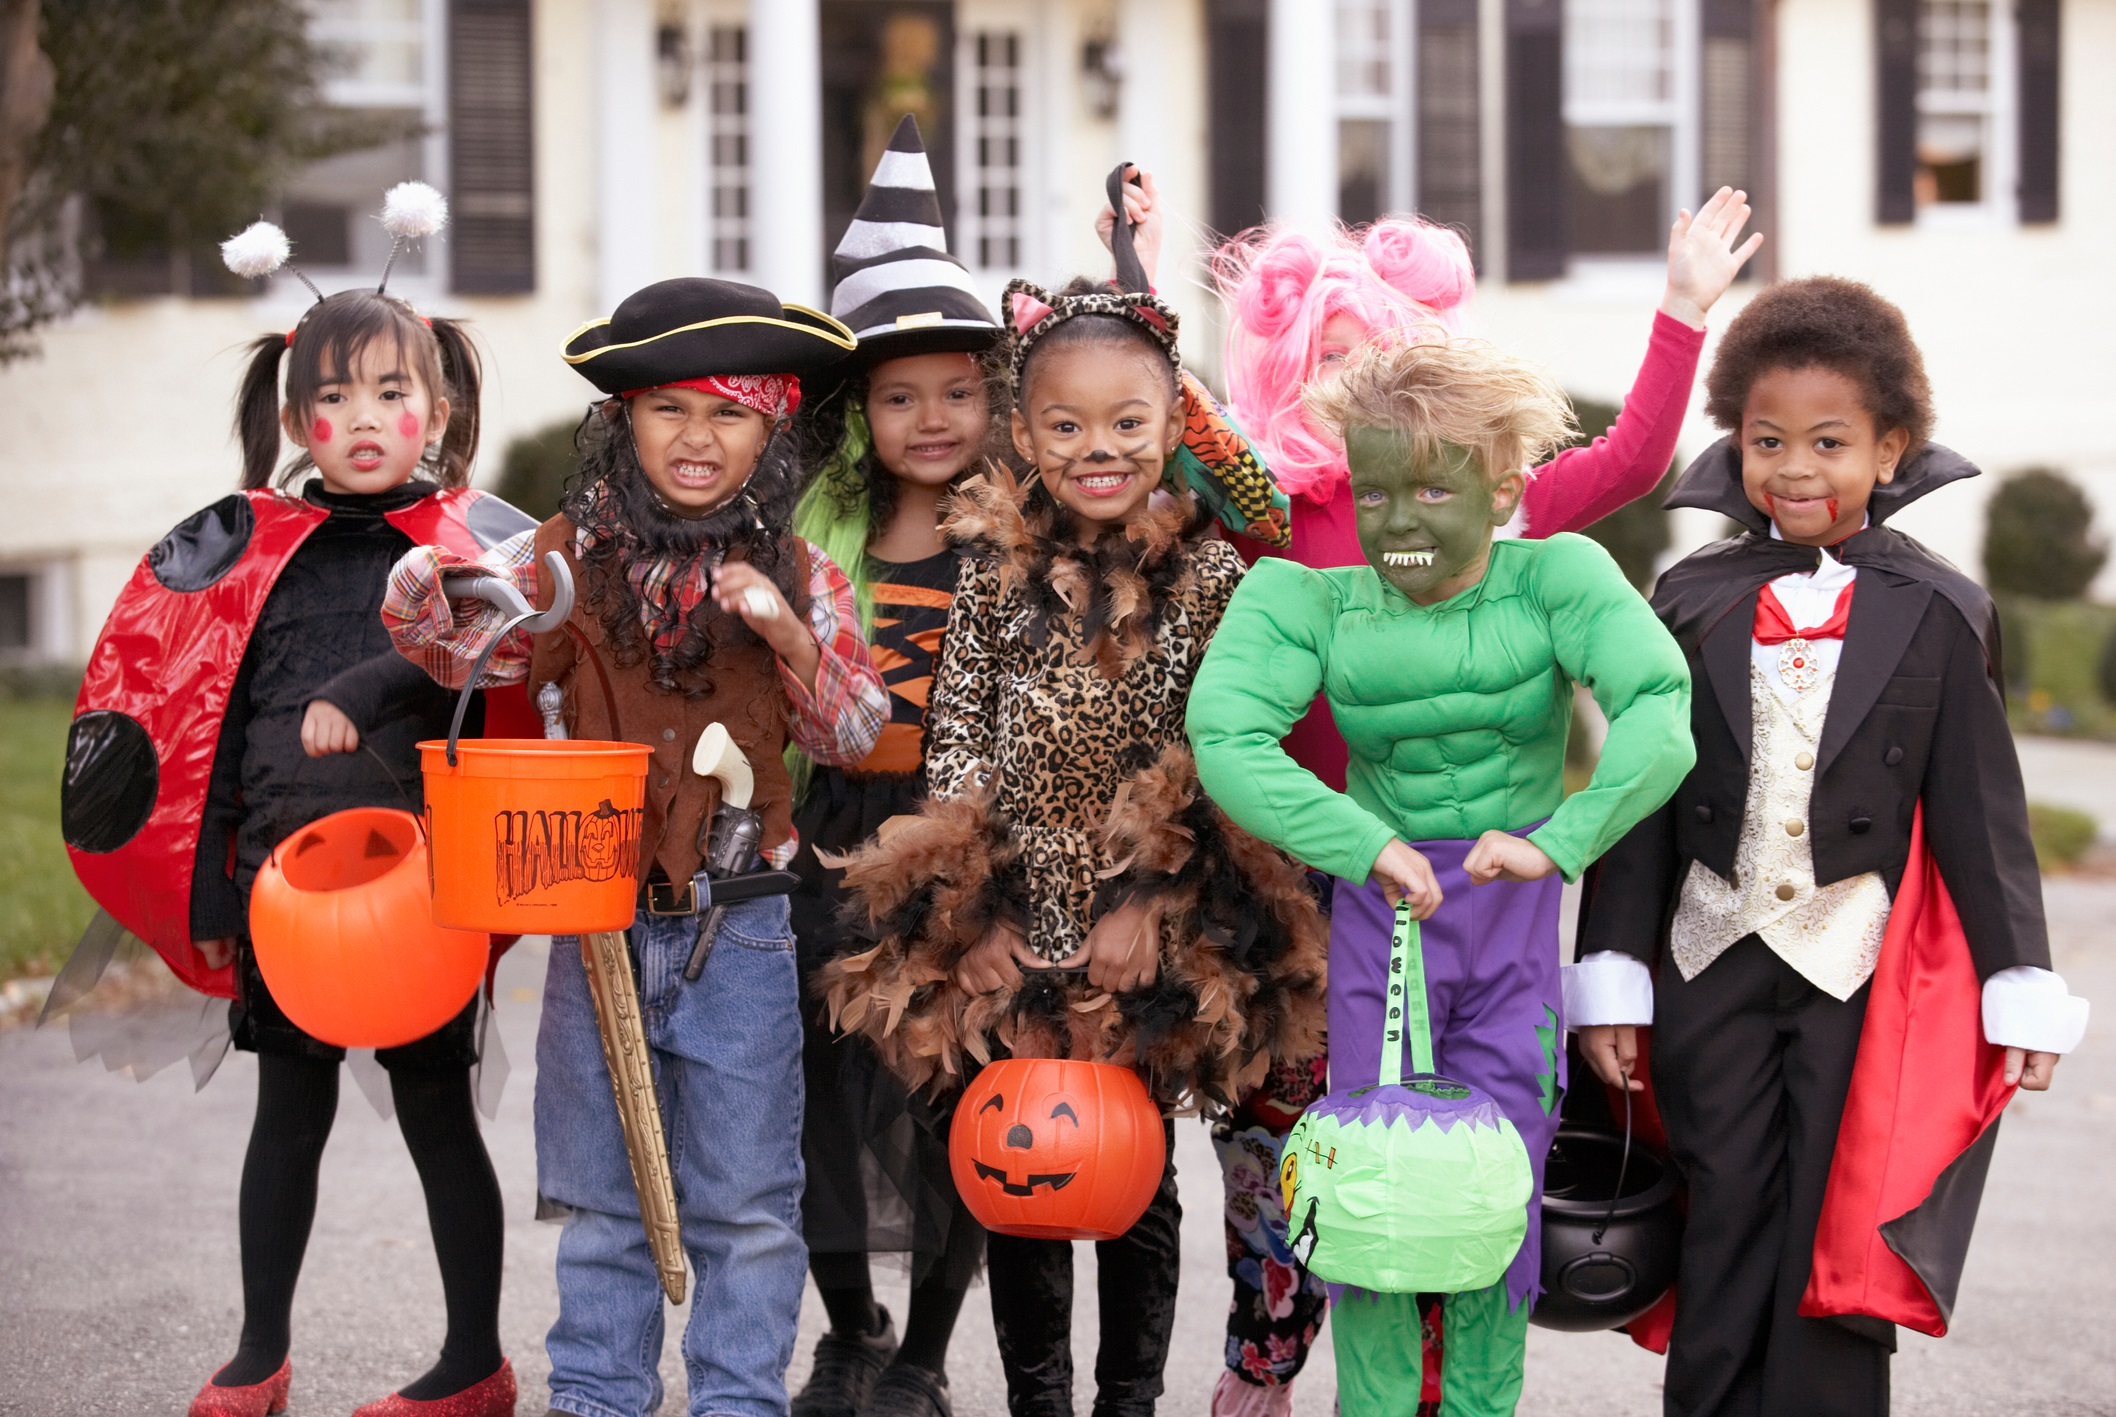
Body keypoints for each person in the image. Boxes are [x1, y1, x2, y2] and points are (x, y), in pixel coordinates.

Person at [1189, 190, 1760, 1413]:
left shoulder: (1558, 573)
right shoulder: (1310, 590)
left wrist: (1557, 839)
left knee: (1493, 1205)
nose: (1393, 525)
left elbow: (1660, 716)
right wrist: (1362, 841)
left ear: (1502, 487)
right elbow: (1225, 732)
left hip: (1508, 929)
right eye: (1377, 493)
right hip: (1376, 921)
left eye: (1430, 496)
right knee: (1376, 1207)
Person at [1569, 277, 2090, 1417]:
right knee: (1724, 1203)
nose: (1793, 467)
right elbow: (1641, 797)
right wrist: (1609, 973)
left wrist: (2019, 980)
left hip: (1855, 973)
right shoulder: (1689, 598)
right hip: (1707, 960)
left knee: (1834, 1229)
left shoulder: (1943, 610)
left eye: (1827, 441)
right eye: (1766, 441)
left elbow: (1979, 815)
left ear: (1890, 447)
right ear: (1735, 445)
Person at [819, 271, 1327, 1417]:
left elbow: (1223, 743)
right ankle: (1038, 1400)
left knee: (1133, 1186)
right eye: (1065, 424)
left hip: (1146, 926)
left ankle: (1127, 1400)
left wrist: (1153, 898)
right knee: (1024, 1176)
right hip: (1016, 917)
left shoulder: (1209, 576)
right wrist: (969, 910)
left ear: (1169, 426)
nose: (1097, 447)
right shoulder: (993, 571)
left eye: (1128, 422)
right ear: (1024, 434)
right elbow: (953, 737)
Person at [382, 277, 889, 1417]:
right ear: (624, 423)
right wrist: (435, 566)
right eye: (669, 410)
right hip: (593, 917)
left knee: (748, 1206)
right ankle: (600, 1397)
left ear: (768, 433)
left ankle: (735, 1400)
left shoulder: (805, 574)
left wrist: (784, 632)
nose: (698, 438)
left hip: (741, 920)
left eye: (729, 414)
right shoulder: (566, 561)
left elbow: (855, 732)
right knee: (603, 1200)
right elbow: (446, 645)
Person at [61, 191, 528, 1417]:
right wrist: (214, 887)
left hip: (420, 885)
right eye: (333, 400)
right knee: (290, 1110)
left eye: (389, 393)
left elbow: (489, 670)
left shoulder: (461, 549)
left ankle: (473, 1360)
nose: (362, 421)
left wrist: (373, 692)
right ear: (293, 415)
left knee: (437, 1113)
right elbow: (206, 723)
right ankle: (259, 1350)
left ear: (437, 408)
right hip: (282, 882)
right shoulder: (253, 552)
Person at [781, 116, 1006, 1417]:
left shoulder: (1017, 524)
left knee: (951, 1101)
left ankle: (925, 1350)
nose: (932, 418)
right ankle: (849, 1324)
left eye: (959, 390)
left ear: (994, 394)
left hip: (966, 830)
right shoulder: (826, 517)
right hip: (836, 825)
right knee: (821, 1095)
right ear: (860, 408)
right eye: (900, 393)